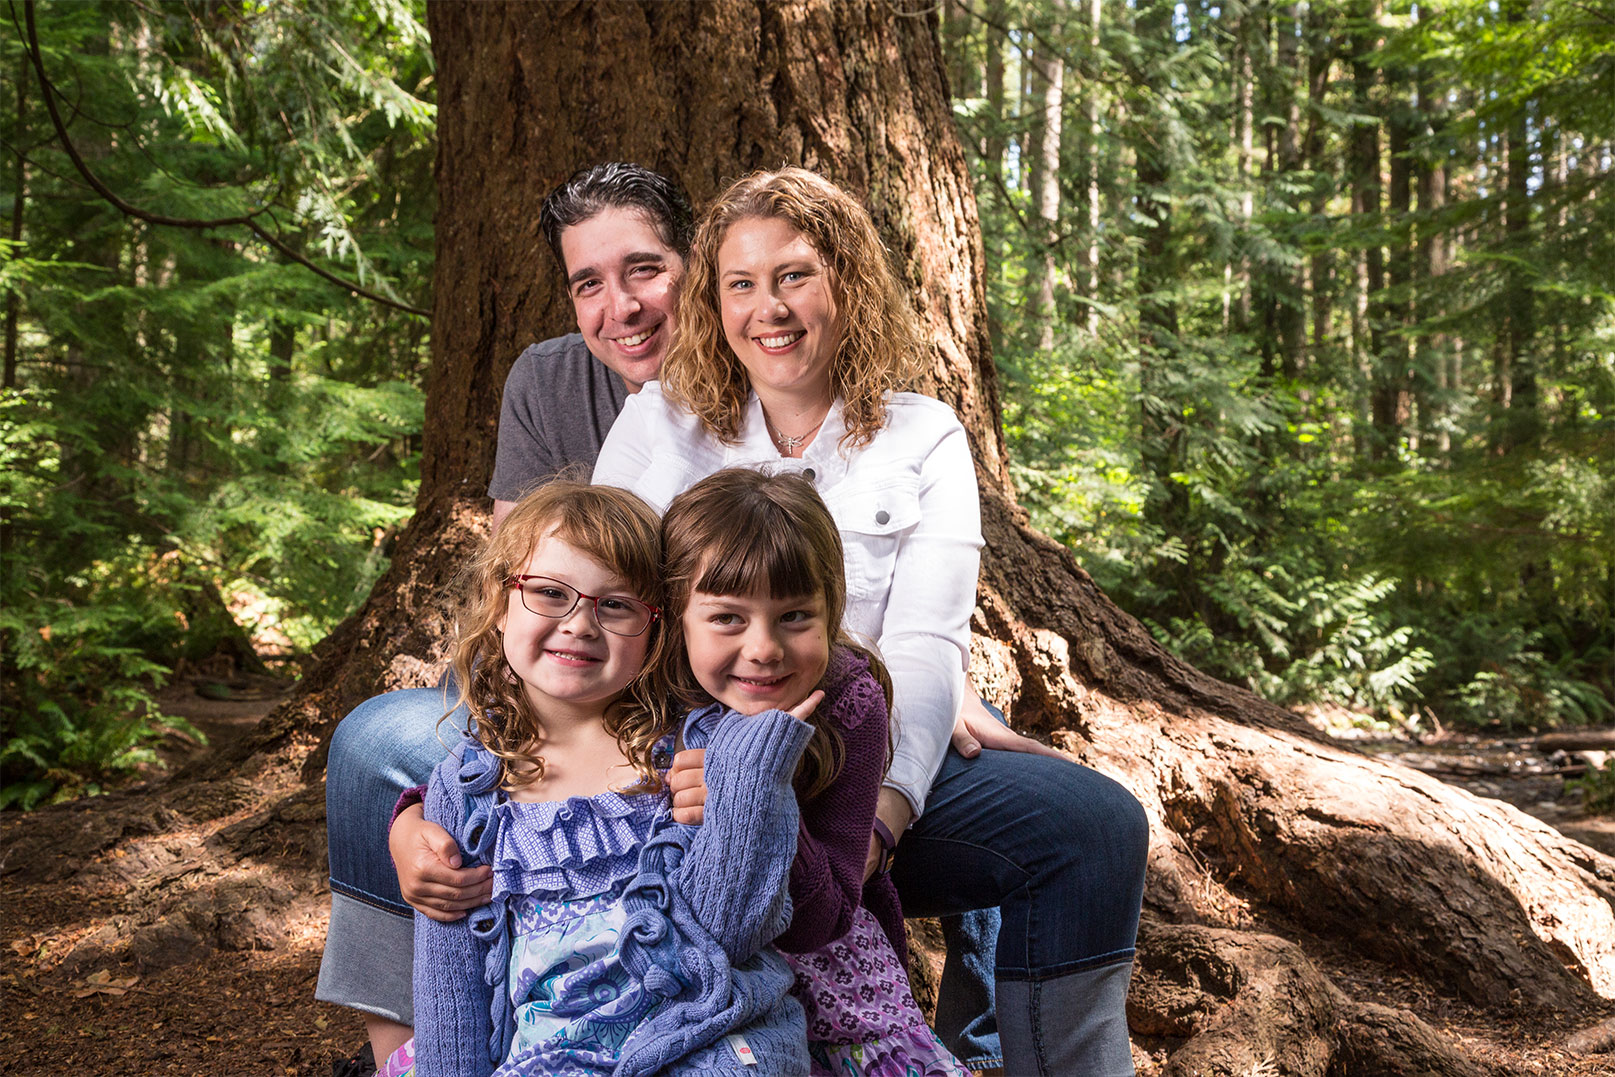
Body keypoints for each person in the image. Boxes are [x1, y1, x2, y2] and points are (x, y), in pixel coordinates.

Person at [591, 167, 1150, 1077]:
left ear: (846, 283)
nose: (767, 307)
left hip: (854, 763)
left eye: (794, 275)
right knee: (387, 747)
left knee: (1095, 823)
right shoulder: (661, 422)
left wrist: (877, 826)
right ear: (712, 301)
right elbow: (599, 606)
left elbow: (927, 652)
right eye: (740, 283)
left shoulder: (921, 436)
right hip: (678, 766)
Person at [316, 163, 694, 1070]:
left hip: (677, 671)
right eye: (588, 284)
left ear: (694, 261)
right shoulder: (549, 380)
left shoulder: (756, 366)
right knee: (373, 746)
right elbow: (510, 591)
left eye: (644, 269)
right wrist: (425, 807)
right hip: (559, 656)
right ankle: (404, 1048)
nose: (622, 307)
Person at [383, 480, 816, 1077]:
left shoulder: (701, 754)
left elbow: (732, 933)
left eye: (615, 605)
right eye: (550, 593)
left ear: (656, 627)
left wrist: (748, 783)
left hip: (701, 1037)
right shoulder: (467, 791)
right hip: (549, 1057)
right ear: (500, 600)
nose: (580, 624)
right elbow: (450, 985)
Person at [659, 467, 971, 1076]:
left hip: (831, 989)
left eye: (795, 616)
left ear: (831, 608)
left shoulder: (848, 700)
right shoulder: (649, 690)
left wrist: (760, 797)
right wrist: (414, 817)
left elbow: (823, 919)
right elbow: (521, 763)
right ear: (676, 616)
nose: (765, 648)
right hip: (682, 983)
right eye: (727, 618)